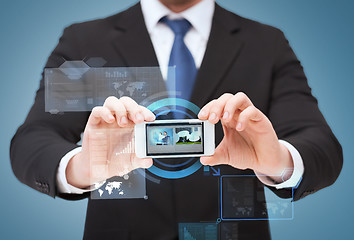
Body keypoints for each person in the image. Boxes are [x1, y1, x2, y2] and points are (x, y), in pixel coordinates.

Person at [10, 0, 343, 239]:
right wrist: (84, 167)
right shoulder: (84, 41)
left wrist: (279, 162)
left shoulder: (266, 42)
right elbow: (32, 140)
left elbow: (320, 143)